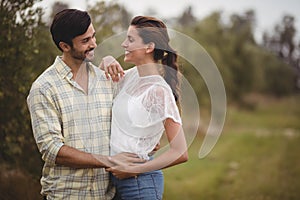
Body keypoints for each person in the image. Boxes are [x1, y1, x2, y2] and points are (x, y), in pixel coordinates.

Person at [26, 9, 142, 199]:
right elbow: (53, 150)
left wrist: (145, 139)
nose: (94, 44)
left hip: (107, 195)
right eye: (85, 41)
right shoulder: (44, 88)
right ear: (65, 46)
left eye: (93, 37)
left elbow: (125, 123)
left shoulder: (105, 79)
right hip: (67, 195)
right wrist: (109, 161)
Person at [103, 16, 188, 200]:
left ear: (149, 47)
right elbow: (100, 85)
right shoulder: (130, 77)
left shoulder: (159, 90)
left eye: (131, 40)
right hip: (114, 180)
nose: (124, 44)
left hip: (140, 183)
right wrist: (107, 59)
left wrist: (135, 169)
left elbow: (180, 151)